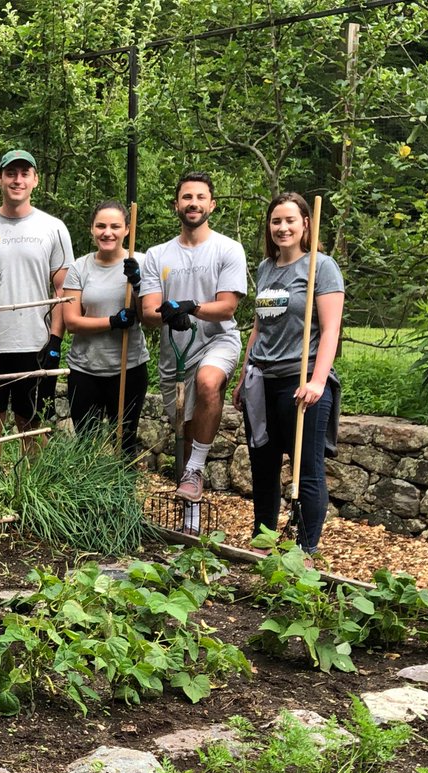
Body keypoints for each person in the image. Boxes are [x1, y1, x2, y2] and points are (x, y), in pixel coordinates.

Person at [233, 192, 344, 553]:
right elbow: (258, 326)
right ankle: (263, 543)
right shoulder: (266, 268)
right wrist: (243, 376)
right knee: (263, 468)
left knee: (306, 471)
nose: (282, 228)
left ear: (305, 224)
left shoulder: (320, 267)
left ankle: (304, 552)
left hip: (301, 382)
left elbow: (330, 329)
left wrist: (317, 380)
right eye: (276, 221)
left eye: (290, 220)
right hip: (261, 381)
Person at [140, 171, 247, 530]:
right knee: (183, 430)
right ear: (177, 205)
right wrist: (168, 314)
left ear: (212, 205)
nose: (194, 203)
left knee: (207, 383)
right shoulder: (157, 255)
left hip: (218, 340)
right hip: (175, 352)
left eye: (201, 197)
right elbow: (149, 312)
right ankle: (191, 523)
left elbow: (228, 307)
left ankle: (196, 469)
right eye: (187, 197)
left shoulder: (227, 249)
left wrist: (191, 308)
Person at [0, 149, 74, 463]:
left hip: (34, 341)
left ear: (34, 180)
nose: (17, 180)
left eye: (24, 174)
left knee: (31, 423)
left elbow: (63, 290)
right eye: (11, 174)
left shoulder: (53, 228)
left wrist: (55, 342)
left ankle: (31, 494)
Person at [60, 200, 149, 455]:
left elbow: (148, 319)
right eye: (100, 226)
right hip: (85, 368)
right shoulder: (80, 267)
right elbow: (72, 322)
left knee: (126, 442)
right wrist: (112, 322)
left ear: (127, 230)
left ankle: (123, 494)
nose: (107, 232)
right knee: (86, 444)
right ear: (92, 229)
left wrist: (139, 284)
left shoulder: (141, 263)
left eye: (114, 226)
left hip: (128, 367)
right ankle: (88, 495)